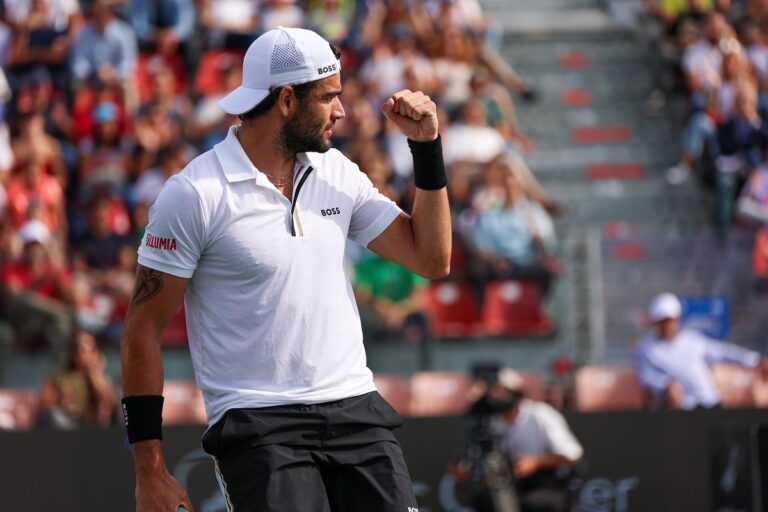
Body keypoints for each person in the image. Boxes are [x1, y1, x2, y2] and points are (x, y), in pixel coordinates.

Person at [120, 27, 450, 512]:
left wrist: (427, 148)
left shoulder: (336, 170)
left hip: (357, 409)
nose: (342, 111)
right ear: (288, 100)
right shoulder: (193, 193)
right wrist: (149, 470)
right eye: (330, 98)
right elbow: (141, 330)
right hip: (259, 426)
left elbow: (431, 258)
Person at [454, 368, 583, 512]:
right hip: (511, 485)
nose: (496, 396)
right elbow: (473, 462)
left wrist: (536, 462)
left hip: (547, 485)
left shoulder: (540, 414)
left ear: (515, 394)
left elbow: (573, 455)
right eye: (493, 391)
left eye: (501, 392)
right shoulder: (490, 422)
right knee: (484, 501)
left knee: (534, 504)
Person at [634, 292, 768, 409]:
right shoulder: (646, 348)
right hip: (679, 410)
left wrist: (754, 360)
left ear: (677, 319)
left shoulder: (692, 341)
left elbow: (723, 352)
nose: (668, 325)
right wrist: (667, 385)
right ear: (657, 322)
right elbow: (646, 378)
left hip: (710, 404)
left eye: (671, 320)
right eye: (663, 321)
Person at [36, 330, 118, 429]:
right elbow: (46, 404)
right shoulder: (61, 375)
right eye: (78, 349)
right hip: (66, 424)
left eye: (88, 350)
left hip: (91, 426)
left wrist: (94, 372)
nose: (82, 354)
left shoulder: (100, 378)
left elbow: (108, 401)